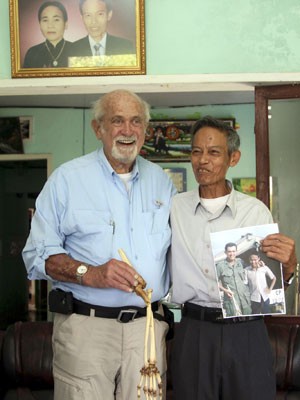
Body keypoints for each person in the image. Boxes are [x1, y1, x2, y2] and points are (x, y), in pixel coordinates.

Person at [22, 89, 176, 399]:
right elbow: (37, 255)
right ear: (98, 128)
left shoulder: (162, 181)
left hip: (147, 331)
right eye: (117, 121)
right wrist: (90, 273)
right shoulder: (66, 180)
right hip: (86, 329)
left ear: (146, 129)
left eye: (136, 121)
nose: (127, 131)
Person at [169, 116, 298, 400]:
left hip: (247, 333)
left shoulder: (255, 212)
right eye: (196, 151)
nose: (203, 160)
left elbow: (271, 288)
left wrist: (289, 267)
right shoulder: (175, 208)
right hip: (194, 331)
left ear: (233, 158)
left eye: (214, 152)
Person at [23, 1, 73, 68]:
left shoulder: (76, 50)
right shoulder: (32, 53)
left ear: (66, 24)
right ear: (40, 25)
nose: (50, 25)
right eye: (45, 20)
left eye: (56, 20)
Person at [216, 242, 251, 317]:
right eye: (229, 251)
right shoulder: (220, 266)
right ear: (225, 252)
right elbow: (214, 282)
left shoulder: (241, 262)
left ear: (236, 251)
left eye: (233, 251)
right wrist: (225, 290)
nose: (232, 254)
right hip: (231, 301)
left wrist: (259, 265)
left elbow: (250, 270)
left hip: (245, 300)